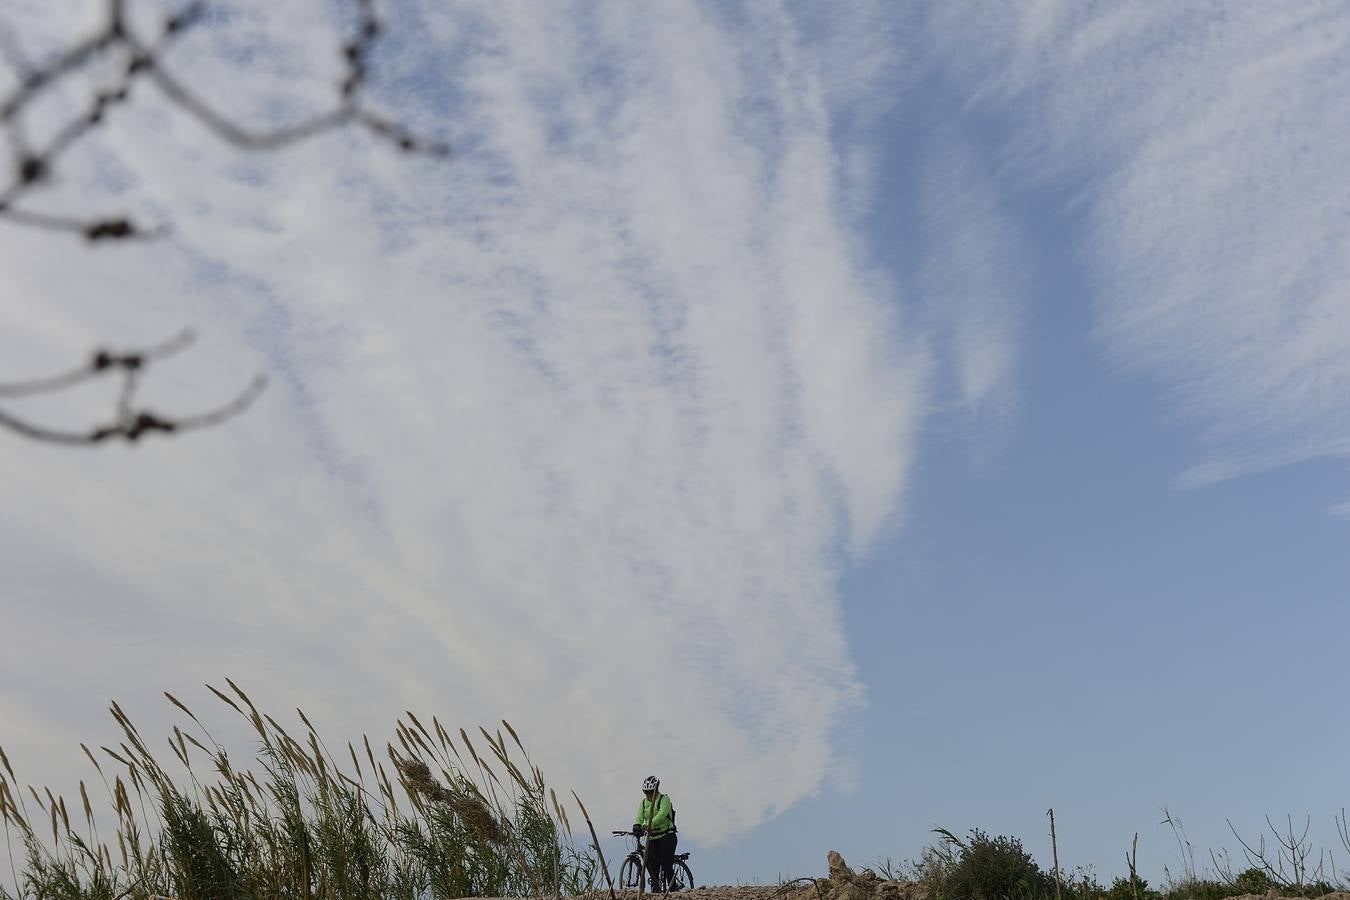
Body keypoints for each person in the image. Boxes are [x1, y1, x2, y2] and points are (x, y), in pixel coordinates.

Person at [633, 774, 677, 891]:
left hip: (666, 835)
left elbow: (662, 815)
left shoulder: (664, 799)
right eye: (646, 792)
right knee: (653, 867)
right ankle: (655, 892)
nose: (648, 795)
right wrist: (637, 825)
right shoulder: (643, 803)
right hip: (652, 838)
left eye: (651, 792)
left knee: (667, 864)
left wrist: (649, 824)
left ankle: (673, 891)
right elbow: (639, 816)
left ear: (656, 789)